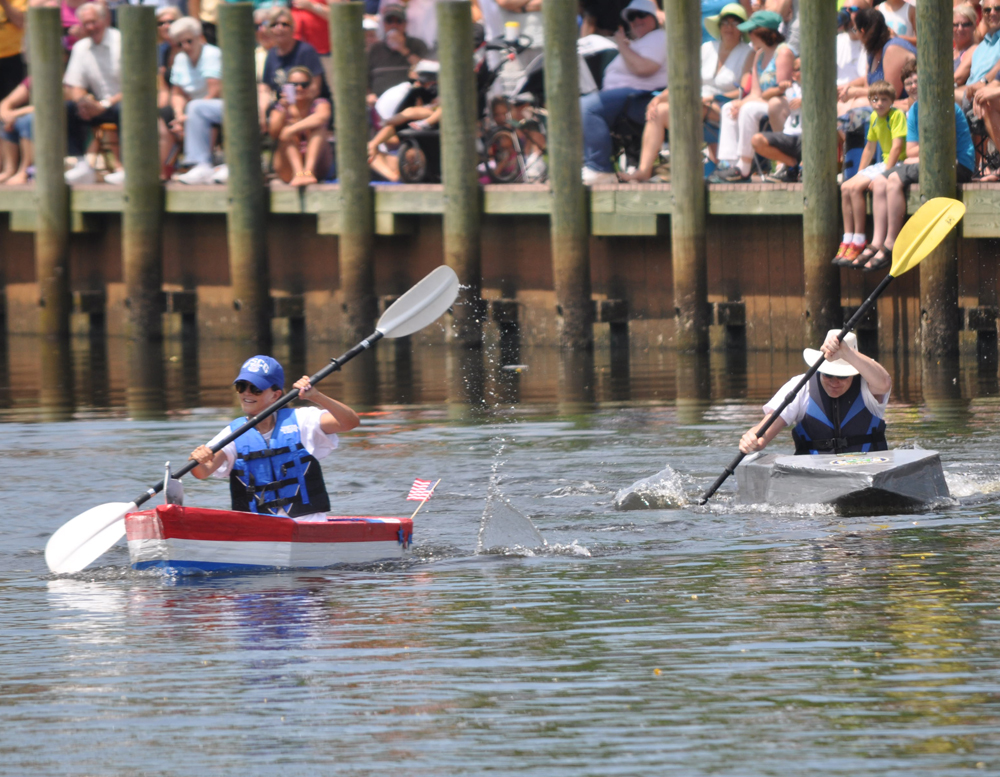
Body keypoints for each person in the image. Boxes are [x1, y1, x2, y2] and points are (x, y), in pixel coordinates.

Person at [188, 355, 360, 520]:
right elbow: (203, 472)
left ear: (276, 395)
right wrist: (198, 459)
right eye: (241, 386)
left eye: (255, 389)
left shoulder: (302, 420)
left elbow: (349, 422)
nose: (246, 394)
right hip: (257, 529)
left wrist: (316, 396)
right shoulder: (232, 434)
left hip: (308, 522)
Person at [621, 2, 752, 182]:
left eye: (735, 23)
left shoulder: (748, 52)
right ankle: (644, 170)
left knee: (690, 104)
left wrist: (711, 97)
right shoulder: (707, 48)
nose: (729, 27)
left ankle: (684, 165)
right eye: (725, 22)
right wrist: (659, 98)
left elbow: (743, 92)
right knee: (657, 111)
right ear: (719, 26)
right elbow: (684, 82)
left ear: (742, 28)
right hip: (696, 103)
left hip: (725, 107)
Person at [864, 62, 976, 270]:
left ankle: (891, 243)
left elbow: (944, 150)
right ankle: (877, 242)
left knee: (895, 179)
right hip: (931, 162)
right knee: (880, 180)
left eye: (917, 80)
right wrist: (921, 154)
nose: (913, 86)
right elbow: (912, 149)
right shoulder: (914, 109)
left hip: (958, 165)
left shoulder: (944, 105)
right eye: (908, 83)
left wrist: (919, 155)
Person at [738, 330, 891, 457]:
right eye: (828, 375)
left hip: (866, 469)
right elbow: (764, 431)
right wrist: (753, 440)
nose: (834, 381)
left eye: (842, 376)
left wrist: (846, 353)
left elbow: (884, 383)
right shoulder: (800, 387)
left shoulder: (868, 385)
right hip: (814, 475)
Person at [579, 0, 668, 185]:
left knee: (587, 107)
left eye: (641, 14)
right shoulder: (637, 43)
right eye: (631, 17)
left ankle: (599, 168)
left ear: (654, 17)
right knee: (574, 106)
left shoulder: (659, 37)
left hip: (640, 97)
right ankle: (587, 165)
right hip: (621, 96)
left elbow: (644, 68)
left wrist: (622, 45)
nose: (636, 20)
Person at [710, 9, 793, 183]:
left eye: (751, 30)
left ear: (762, 32)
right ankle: (729, 163)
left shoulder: (783, 51)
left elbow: (782, 89)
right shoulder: (759, 54)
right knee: (729, 108)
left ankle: (744, 166)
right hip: (761, 101)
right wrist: (738, 103)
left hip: (780, 104)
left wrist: (745, 104)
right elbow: (755, 92)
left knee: (748, 108)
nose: (748, 34)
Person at [834, 79, 906, 267]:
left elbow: (897, 148)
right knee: (846, 187)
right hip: (882, 163)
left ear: (891, 101)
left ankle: (859, 240)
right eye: (875, 100)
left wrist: (885, 174)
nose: (879, 103)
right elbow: (869, 148)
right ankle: (847, 237)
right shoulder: (874, 117)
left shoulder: (896, 116)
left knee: (856, 189)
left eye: (884, 99)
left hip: (895, 163)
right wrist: (859, 174)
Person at [63, 2, 123, 185]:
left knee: (126, 110)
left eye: (94, 22)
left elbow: (135, 86)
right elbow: (74, 85)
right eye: (86, 23)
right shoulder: (81, 47)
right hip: (98, 105)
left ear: (105, 19)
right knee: (67, 109)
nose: (90, 27)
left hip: (123, 102)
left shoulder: (123, 41)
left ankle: (126, 167)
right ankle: (81, 164)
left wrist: (103, 105)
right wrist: (83, 101)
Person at [160, 17, 222, 182]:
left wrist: (190, 114)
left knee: (196, 109)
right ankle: (161, 170)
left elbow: (215, 90)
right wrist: (180, 115)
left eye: (189, 41)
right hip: (193, 109)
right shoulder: (180, 59)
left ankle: (200, 164)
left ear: (199, 37)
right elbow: (177, 92)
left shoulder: (213, 54)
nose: (185, 47)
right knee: (163, 114)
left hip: (219, 106)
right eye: (180, 44)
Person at [838, 8, 917, 110]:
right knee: (842, 105)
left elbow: (891, 94)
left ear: (862, 31)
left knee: (859, 105)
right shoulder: (872, 52)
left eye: (855, 30)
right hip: (885, 104)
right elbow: (868, 86)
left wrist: (856, 92)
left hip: (906, 108)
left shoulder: (892, 49)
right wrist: (848, 88)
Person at [269, 64, 333, 185]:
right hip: (287, 167)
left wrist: (292, 129)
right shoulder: (280, 107)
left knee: (318, 129)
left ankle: (308, 172)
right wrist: (284, 110)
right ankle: (299, 174)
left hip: (317, 166)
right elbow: (273, 132)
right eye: (294, 85)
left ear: (311, 86)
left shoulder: (320, 103)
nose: (299, 88)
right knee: (286, 130)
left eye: (304, 85)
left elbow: (322, 117)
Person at [750, 56, 800, 183]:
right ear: (793, 74)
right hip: (789, 136)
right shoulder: (792, 88)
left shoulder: (821, 88)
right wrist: (780, 89)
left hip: (810, 138)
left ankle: (801, 169)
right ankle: (791, 164)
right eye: (799, 69)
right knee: (757, 140)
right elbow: (764, 95)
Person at [367, 3, 428, 98]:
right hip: (380, 102)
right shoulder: (374, 49)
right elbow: (365, 80)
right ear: (384, 23)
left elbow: (426, 71)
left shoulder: (417, 45)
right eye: (389, 21)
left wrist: (403, 49)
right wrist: (369, 95)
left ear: (405, 24)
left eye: (398, 21)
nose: (393, 25)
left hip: (410, 100)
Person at [0, 75, 31, 184]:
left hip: (47, 120)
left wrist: (14, 113)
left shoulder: (65, 78)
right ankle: (8, 170)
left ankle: (25, 171)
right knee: (4, 121)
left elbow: (44, 107)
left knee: (26, 121)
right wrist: (6, 114)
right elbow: (6, 102)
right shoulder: (32, 80)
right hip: (20, 116)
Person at [954, 3, 979, 100]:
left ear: (974, 25)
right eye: (956, 25)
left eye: (965, 24)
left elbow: (957, 79)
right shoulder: (949, 53)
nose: (960, 29)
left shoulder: (974, 49)